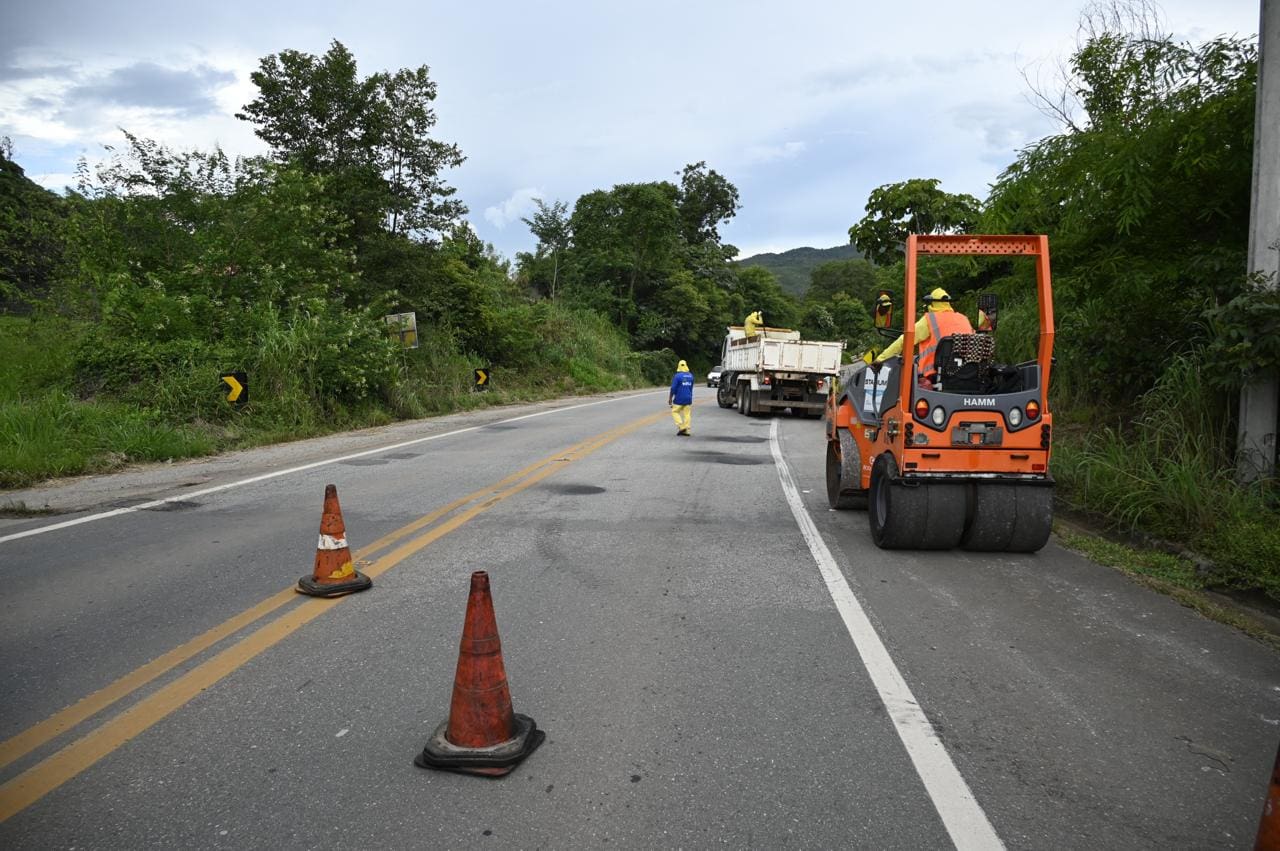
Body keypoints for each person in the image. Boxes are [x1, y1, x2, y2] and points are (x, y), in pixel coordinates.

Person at [873, 287, 973, 385]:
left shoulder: (931, 319)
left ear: (932, 303)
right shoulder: (964, 319)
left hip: (934, 377)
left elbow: (905, 340)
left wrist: (881, 359)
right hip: (967, 375)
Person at [669, 359, 694, 436]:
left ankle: (681, 426)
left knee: (675, 411)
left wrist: (670, 398)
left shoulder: (677, 376)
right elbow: (691, 388)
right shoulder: (691, 376)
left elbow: (673, 388)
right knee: (687, 414)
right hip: (688, 398)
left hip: (679, 398)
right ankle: (687, 430)